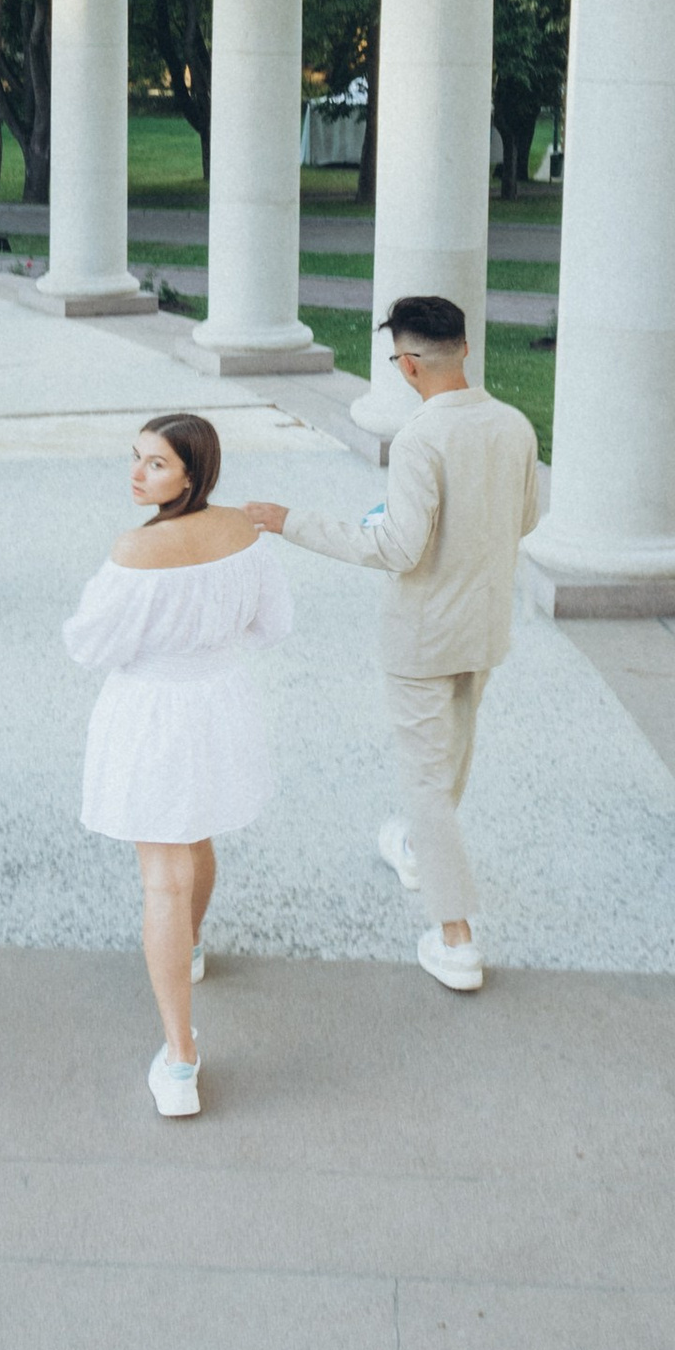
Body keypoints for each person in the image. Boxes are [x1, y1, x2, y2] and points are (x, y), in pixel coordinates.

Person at [245, 295, 538, 993]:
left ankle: (456, 937)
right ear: (463, 348)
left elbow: (400, 548)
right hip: (485, 625)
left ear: (407, 365)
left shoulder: (419, 439)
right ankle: (415, 848)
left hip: (422, 635)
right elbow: (522, 519)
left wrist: (293, 522)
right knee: (449, 768)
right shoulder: (515, 426)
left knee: (426, 784)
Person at [63, 412, 292, 1117]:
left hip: (155, 712)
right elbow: (274, 625)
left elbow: (88, 645)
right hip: (220, 703)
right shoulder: (242, 533)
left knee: (163, 877)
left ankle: (181, 1058)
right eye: (135, 458)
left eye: (155, 464)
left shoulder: (136, 550)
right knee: (199, 835)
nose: (136, 474)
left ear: (193, 472)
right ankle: (189, 949)